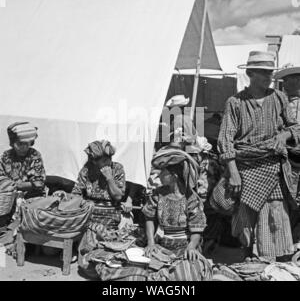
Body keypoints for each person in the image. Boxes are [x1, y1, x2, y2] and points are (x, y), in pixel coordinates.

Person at [217, 51, 300, 261]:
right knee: (246, 219)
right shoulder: (235, 102)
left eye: (270, 72)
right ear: (251, 73)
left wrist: (285, 134)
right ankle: (251, 261)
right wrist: (233, 172)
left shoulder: (279, 98)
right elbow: (225, 140)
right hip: (245, 167)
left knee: (275, 213)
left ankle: (274, 262)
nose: (268, 76)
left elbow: (296, 127)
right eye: (263, 72)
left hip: (274, 165)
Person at [142, 148, 212, 281]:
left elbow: (197, 228)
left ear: (174, 176)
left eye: (163, 172)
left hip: (183, 247)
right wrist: (150, 242)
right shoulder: (157, 194)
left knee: (187, 274)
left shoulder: (191, 199)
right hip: (161, 246)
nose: (159, 175)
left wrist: (192, 246)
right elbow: (149, 217)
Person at [71, 140, 129, 272]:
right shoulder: (86, 171)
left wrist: (109, 178)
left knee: (99, 237)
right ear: (94, 161)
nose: (108, 162)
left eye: (109, 159)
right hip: (88, 213)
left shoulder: (117, 169)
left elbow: (118, 196)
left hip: (109, 215)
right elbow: (76, 193)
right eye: (104, 160)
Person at [0, 122, 46, 244]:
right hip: (9, 196)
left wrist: (21, 186)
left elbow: (39, 182)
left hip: (31, 194)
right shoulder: (6, 156)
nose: (23, 147)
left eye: (26, 144)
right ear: (12, 143)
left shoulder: (34, 155)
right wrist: (10, 186)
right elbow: (1, 176)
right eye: (19, 144)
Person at [274, 65, 300, 244]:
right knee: (287, 198)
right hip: (287, 158)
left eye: (292, 81)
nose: (287, 84)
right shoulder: (279, 104)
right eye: (286, 81)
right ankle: (288, 239)